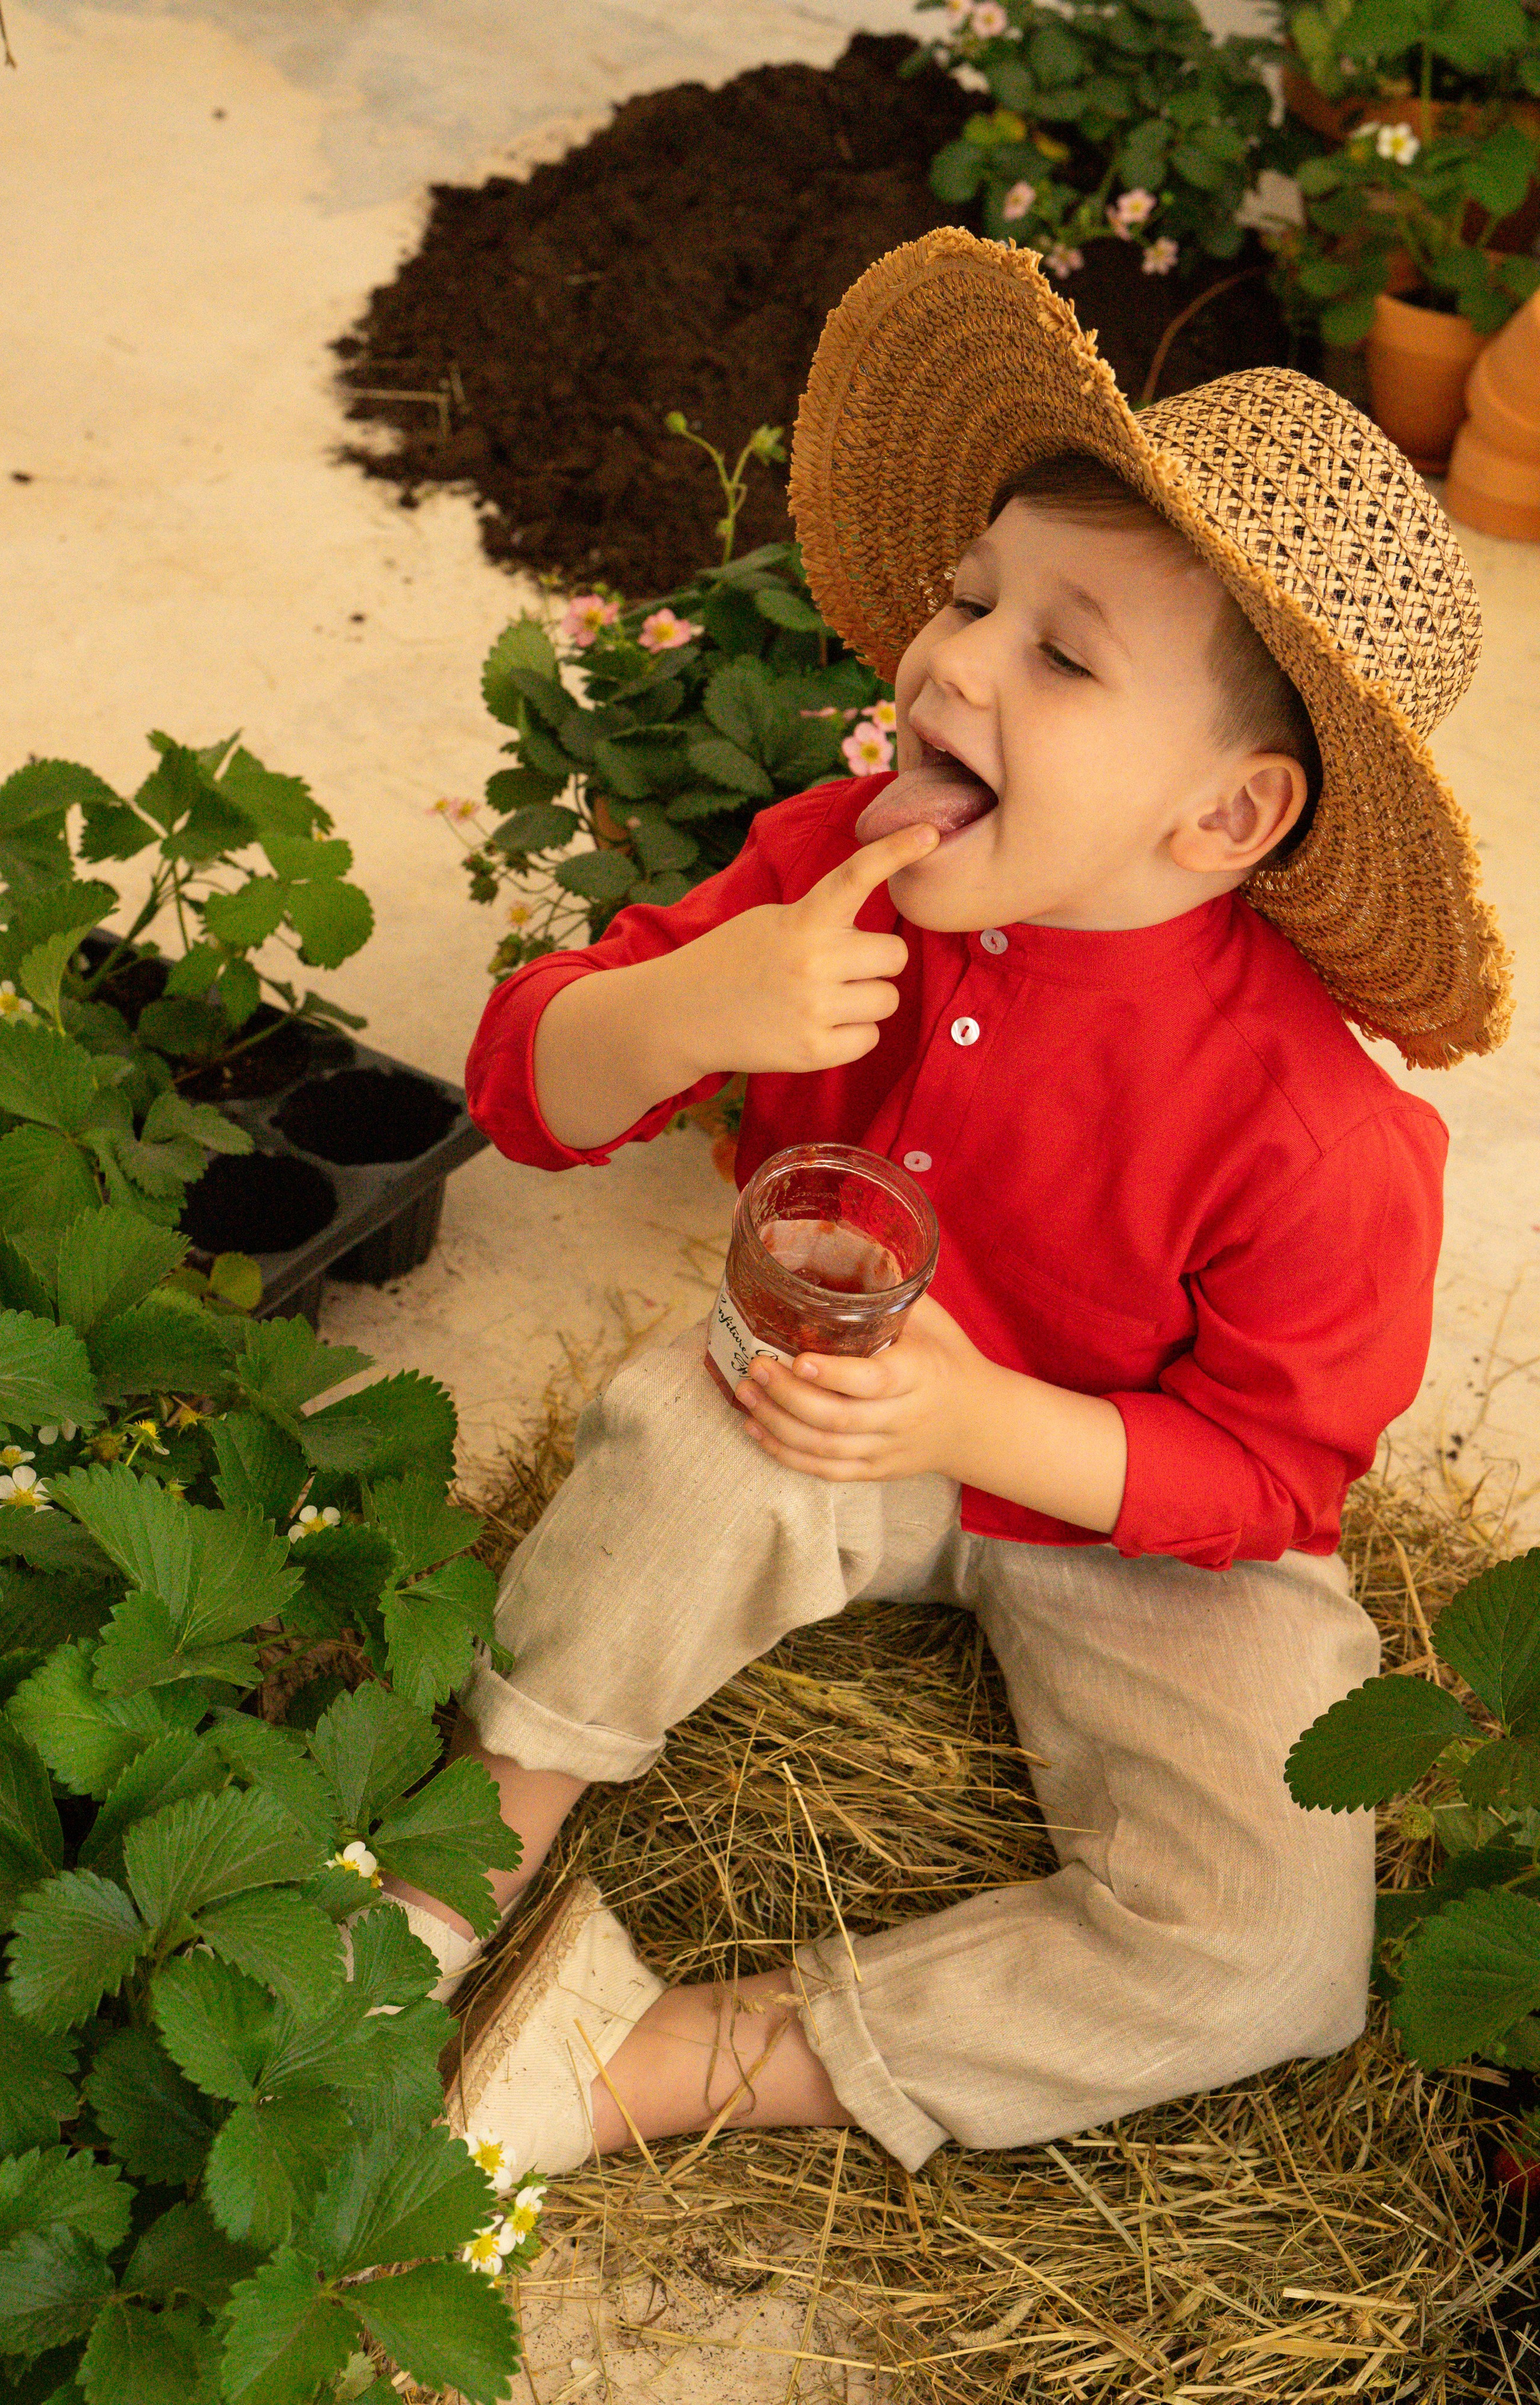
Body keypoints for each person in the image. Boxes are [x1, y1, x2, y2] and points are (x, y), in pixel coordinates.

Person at [378, 230, 1514, 2181]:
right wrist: (687, 1008)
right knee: (684, 1439)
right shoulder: (840, 862)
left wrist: (988, 1425)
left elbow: (1272, 1483)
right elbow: (523, 1083)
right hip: (816, 1403)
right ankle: (466, 1855)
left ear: (1228, 817)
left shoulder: (1313, 1135)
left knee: (1272, 1953)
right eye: (973, 596)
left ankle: (649, 2057)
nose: (950, 658)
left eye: (1058, 655)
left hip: (1128, 1516)